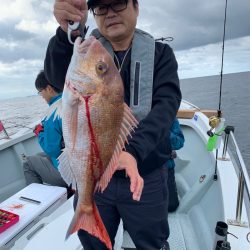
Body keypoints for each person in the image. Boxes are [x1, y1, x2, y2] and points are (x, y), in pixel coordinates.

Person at [44, 0, 182, 249]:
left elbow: (166, 108)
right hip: (94, 183)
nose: (110, 13)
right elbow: (55, 76)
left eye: (117, 3)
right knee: (93, 243)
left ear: (136, 7)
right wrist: (68, 31)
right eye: (101, 8)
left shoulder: (161, 55)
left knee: (151, 242)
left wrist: (132, 152)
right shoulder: (85, 50)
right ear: (94, 15)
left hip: (145, 176)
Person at [23, 70, 67, 188]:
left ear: (49, 89)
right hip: (84, 164)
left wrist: (40, 134)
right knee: (39, 155)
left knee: (28, 163)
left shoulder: (52, 114)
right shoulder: (73, 102)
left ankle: (37, 198)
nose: (41, 96)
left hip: (69, 174)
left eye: (40, 92)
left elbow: (52, 150)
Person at [165, 118, 185, 212]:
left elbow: (180, 142)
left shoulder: (169, 116)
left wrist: (162, 130)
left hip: (165, 166)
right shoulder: (138, 115)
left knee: (171, 206)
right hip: (141, 168)